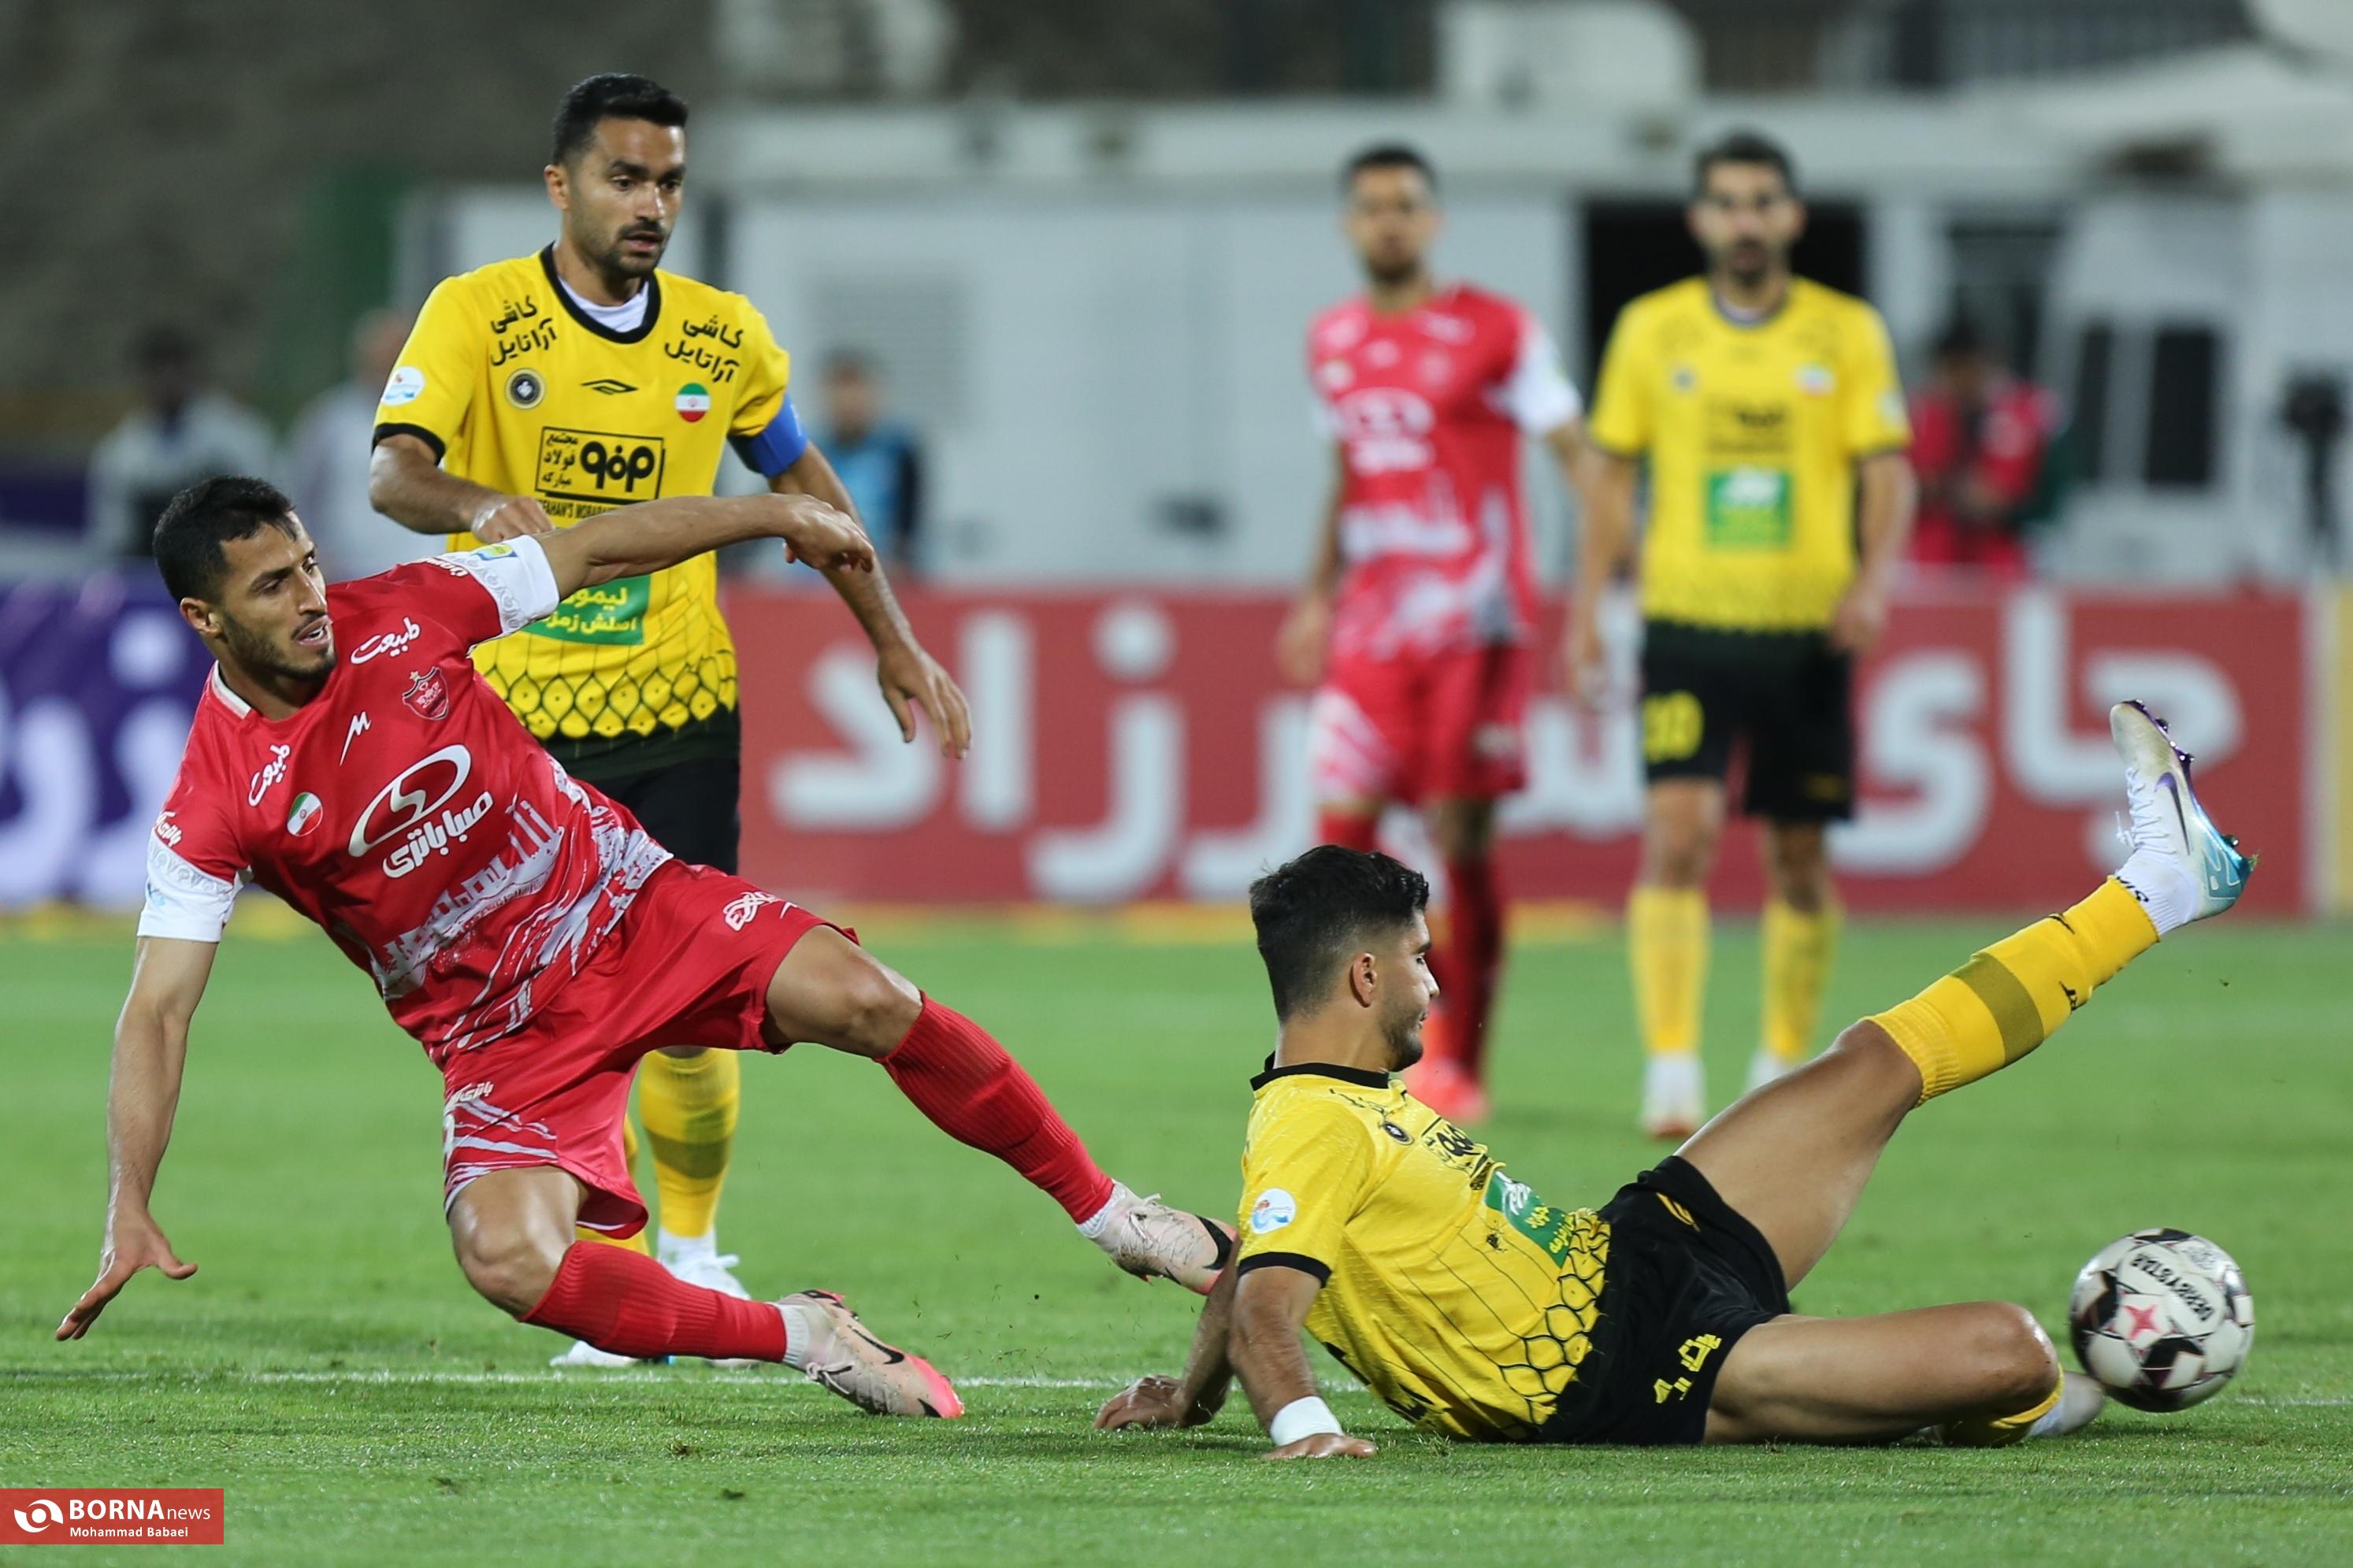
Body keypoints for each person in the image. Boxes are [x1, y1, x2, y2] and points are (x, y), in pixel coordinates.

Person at [54, 476, 1233, 1417]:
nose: (312, 595)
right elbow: (158, 1007)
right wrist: (130, 1200)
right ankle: (804, 1333)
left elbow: (595, 550)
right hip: (500, 1034)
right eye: (273, 585)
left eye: (309, 562)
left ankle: (1115, 1214)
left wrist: (772, 510)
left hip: (629, 905)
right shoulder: (214, 798)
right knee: (507, 1260)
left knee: (868, 995)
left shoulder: (406, 610)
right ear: (205, 619)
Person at [1097, 709, 2247, 1454]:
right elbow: (1267, 1302)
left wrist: (1187, 1396)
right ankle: (1978, 1406)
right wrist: (1299, 1427)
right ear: (1360, 975)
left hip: (1633, 1246)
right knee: (2011, 1349)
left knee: (1876, 1059)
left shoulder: (1334, 1106)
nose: (1433, 982)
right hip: (1639, 1370)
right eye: (1415, 959)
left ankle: (2160, 881)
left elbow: (1258, 1254)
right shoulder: (1307, 1120)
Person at [368, 74, 929, 1362]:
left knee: (692, 993)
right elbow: (391, 471)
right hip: (511, 722)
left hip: (674, 708)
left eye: (669, 181)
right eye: (625, 178)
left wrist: (892, 638)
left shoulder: (721, 339)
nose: (651, 204)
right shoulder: (478, 313)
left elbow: (808, 489)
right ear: (560, 185)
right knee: (549, 1009)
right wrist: (472, 501)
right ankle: (611, 1277)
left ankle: (692, 1245)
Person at [1569, 129, 1918, 1138]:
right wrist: (1586, 607)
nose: (1745, 220)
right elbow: (1609, 473)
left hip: (1804, 633)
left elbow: (1886, 469)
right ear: (1699, 219)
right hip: (1686, 625)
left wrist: (1872, 580)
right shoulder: (1653, 330)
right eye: (1726, 202)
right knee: (1677, 835)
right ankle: (1670, 1068)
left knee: (1797, 856)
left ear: (1791, 215)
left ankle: (1779, 1065)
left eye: (1762, 201)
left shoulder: (1844, 332)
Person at [1278, 143, 1593, 1126]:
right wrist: (1316, 595)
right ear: (1348, 222)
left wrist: (1593, 593)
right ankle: (1376, 1049)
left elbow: (1578, 458)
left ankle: (1463, 1050)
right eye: (1371, 205)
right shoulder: (1330, 339)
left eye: (1405, 204)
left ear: (1433, 219)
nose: (1389, 221)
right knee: (1341, 850)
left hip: (1474, 623)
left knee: (1459, 840)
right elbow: (1345, 476)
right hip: (1371, 629)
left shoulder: (1497, 330)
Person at [87, 328, 278, 559]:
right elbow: (113, 539)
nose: (167, 380)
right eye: (157, 371)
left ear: (194, 372)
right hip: (151, 570)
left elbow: (267, 515)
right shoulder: (121, 453)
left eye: (175, 369)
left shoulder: (239, 436)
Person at [1907, 317, 2058, 581]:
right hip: (1932, 560)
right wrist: (1942, 489)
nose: (1956, 382)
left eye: (1962, 369)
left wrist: (2008, 506)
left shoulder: (2027, 411)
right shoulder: (1923, 414)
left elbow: (2048, 492)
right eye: (1949, 372)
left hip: (2001, 560)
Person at [287, 309, 429, 583]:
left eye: (396, 356)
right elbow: (298, 495)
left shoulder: (443, 418)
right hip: (347, 575)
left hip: (424, 575)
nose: (388, 367)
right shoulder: (331, 421)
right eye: (380, 357)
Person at [818, 350, 925, 577]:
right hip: (819, 575)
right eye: (840, 394)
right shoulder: (810, 452)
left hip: (884, 570)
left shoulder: (900, 451)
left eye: (856, 394)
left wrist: (900, 562)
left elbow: (909, 522)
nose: (848, 405)